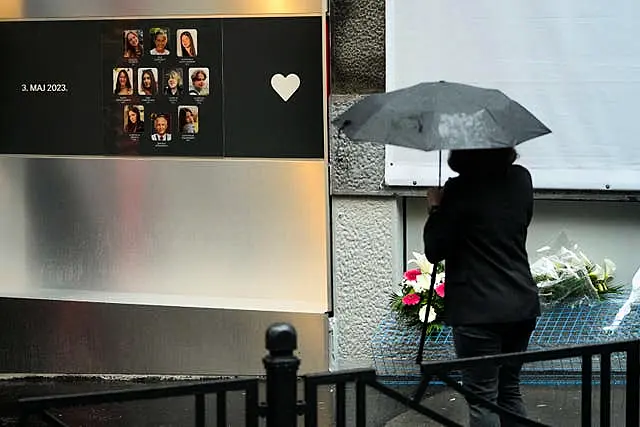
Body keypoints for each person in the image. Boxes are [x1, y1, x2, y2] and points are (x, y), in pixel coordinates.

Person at [423, 147, 540, 427]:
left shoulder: (459, 189)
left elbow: (435, 250)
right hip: (520, 304)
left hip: (477, 311)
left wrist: (436, 207)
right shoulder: (521, 180)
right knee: (509, 391)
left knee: (481, 398)